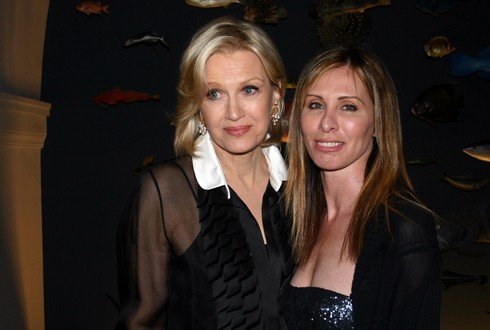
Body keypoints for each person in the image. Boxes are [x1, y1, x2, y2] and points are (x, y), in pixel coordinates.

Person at [116, 16, 294, 329]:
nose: (234, 112)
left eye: (249, 89)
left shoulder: (303, 186)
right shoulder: (167, 192)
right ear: (198, 104)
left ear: (276, 95)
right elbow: (140, 322)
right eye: (215, 94)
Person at [280, 46, 441, 329]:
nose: (326, 123)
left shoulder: (404, 228)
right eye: (315, 104)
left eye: (349, 107)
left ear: (378, 123)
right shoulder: (293, 218)